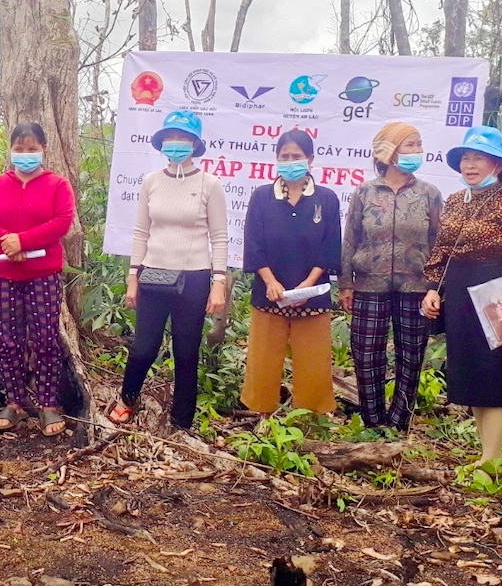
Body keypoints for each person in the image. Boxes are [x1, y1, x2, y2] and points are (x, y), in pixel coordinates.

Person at [422, 126, 502, 466]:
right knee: (472, 376)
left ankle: (491, 460)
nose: (470, 165)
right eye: (466, 157)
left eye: (479, 158)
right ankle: (488, 456)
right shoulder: (454, 201)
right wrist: (434, 289)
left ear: (497, 164)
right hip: (461, 295)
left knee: (494, 377)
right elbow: (443, 250)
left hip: (500, 295)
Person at [112, 110, 228, 430]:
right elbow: (141, 232)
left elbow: (219, 237)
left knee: (186, 351)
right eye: (170, 138)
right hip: (153, 274)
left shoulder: (209, 184)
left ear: (195, 143)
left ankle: (181, 421)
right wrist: (132, 278)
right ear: (162, 142)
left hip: (194, 278)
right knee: (143, 347)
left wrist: (218, 282)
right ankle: (127, 399)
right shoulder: (151, 182)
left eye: (183, 138)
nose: (176, 144)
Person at [340, 123, 444, 431]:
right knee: (367, 355)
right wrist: (346, 283)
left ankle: (398, 425)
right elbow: (350, 238)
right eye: (409, 145)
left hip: (416, 287)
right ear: (389, 152)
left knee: (410, 357)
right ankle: (373, 424)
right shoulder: (365, 192)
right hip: (369, 285)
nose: (416, 151)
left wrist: (434, 286)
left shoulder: (429, 194)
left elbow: (439, 243)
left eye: (418, 144)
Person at [0, 123, 76, 436]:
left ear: (43, 149)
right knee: (8, 340)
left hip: (43, 274)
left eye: (31, 148)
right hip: (4, 274)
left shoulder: (57, 185)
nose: (25, 155)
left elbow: (62, 221)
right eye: (19, 149)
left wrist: (24, 241)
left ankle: (48, 404)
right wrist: (7, 240)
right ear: (11, 150)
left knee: (46, 339)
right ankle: (14, 402)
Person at [241, 130, 342, 415]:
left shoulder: (327, 198)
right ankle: (259, 417)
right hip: (268, 294)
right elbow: (254, 243)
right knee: (262, 361)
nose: (290, 161)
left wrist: (306, 286)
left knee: (313, 362)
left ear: (310, 159)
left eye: (296, 156)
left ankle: (310, 419)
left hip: (312, 296)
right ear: (276, 160)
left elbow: (329, 248)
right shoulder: (262, 197)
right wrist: (270, 282)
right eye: (284, 156)